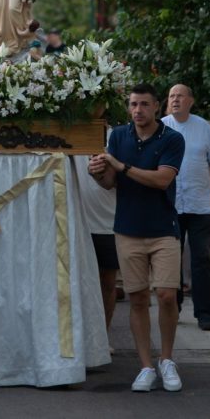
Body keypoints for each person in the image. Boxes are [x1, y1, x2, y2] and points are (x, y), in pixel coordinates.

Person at [88, 82, 185, 393]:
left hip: (164, 228)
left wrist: (122, 166)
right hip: (127, 229)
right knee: (138, 298)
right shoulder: (118, 136)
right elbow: (109, 182)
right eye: (133, 104)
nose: (138, 110)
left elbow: (162, 180)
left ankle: (167, 359)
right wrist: (97, 172)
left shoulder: (172, 138)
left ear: (157, 106)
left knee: (167, 295)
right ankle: (146, 366)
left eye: (144, 104)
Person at [162, 84, 210, 331]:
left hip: (201, 204)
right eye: (171, 96)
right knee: (171, 260)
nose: (175, 99)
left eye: (180, 96)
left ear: (191, 101)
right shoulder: (161, 127)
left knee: (201, 259)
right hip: (170, 205)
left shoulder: (203, 127)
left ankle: (203, 313)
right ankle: (173, 308)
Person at [74, 133, 118, 347]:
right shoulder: (69, 134)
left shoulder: (115, 137)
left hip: (109, 223)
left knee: (107, 283)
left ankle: (102, 338)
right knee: (77, 282)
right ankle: (78, 339)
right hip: (77, 221)